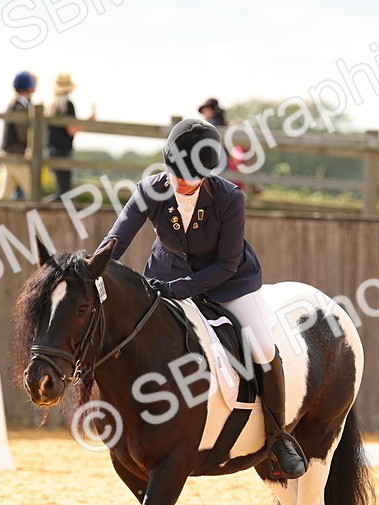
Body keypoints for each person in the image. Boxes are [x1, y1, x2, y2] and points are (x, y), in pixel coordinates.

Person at [98, 120, 307, 479]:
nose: (181, 181)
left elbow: (226, 264)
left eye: (190, 176)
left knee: (262, 347)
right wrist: (91, 268)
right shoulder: (150, 190)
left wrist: (180, 289)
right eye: (175, 172)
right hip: (164, 278)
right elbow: (116, 241)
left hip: (228, 284)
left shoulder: (229, 198)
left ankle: (278, 438)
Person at [46, 73, 94, 198]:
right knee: (65, 191)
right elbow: (71, 130)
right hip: (62, 151)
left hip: (50, 150)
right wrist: (88, 121)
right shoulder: (67, 105)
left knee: (61, 189)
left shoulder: (51, 106)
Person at [0, 71, 36, 201]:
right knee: (33, 191)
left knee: (3, 196)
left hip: (8, 154)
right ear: (29, 88)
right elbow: (22, 134)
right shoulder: (20, 107)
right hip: (16, 155)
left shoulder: (14, 104)